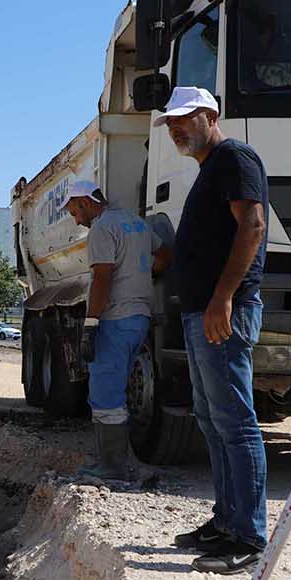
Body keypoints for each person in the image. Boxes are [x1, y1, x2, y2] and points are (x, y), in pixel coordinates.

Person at [157, 86, 269, 575]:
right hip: (201, 311)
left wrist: (223, 297)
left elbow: (253, 226)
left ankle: (248, 534)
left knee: (236, 423)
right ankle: (225, 522)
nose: (176, 128)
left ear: (210, 115)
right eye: (171, 123)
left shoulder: (235, 158)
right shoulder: (210, 168)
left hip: (224, 311)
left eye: (185, 118)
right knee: (211, 419)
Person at [63, 179, 171, 480]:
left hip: (115, 319)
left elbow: (102, 278)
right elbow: (164, 256)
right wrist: (142, 277)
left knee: (105, 394)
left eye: (74, 211)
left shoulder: (101, 228)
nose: (75, 219)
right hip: (138, 318)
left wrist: (91, 324)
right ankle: (121, 462)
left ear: (85, 202)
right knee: (118, 389)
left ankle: (113, 467)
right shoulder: (134, 223)